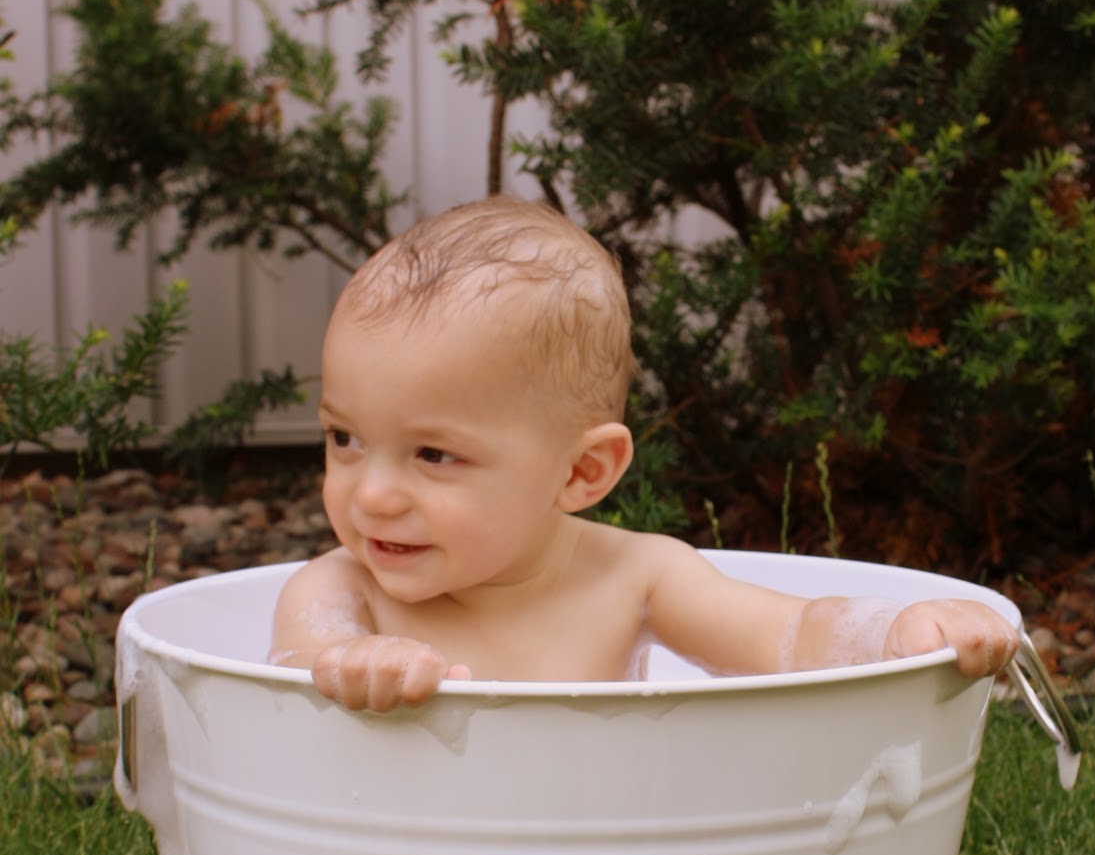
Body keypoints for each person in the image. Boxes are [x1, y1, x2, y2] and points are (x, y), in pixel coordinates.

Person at [270, 196, 1018, 711]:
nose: (370, 495)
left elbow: (790, 637)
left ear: (580, 472)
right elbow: (288, 681)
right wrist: (346, 671)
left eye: (432, 454)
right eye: (346, 439)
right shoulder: (341, 592)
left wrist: (897, 632)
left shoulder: (636, 578)